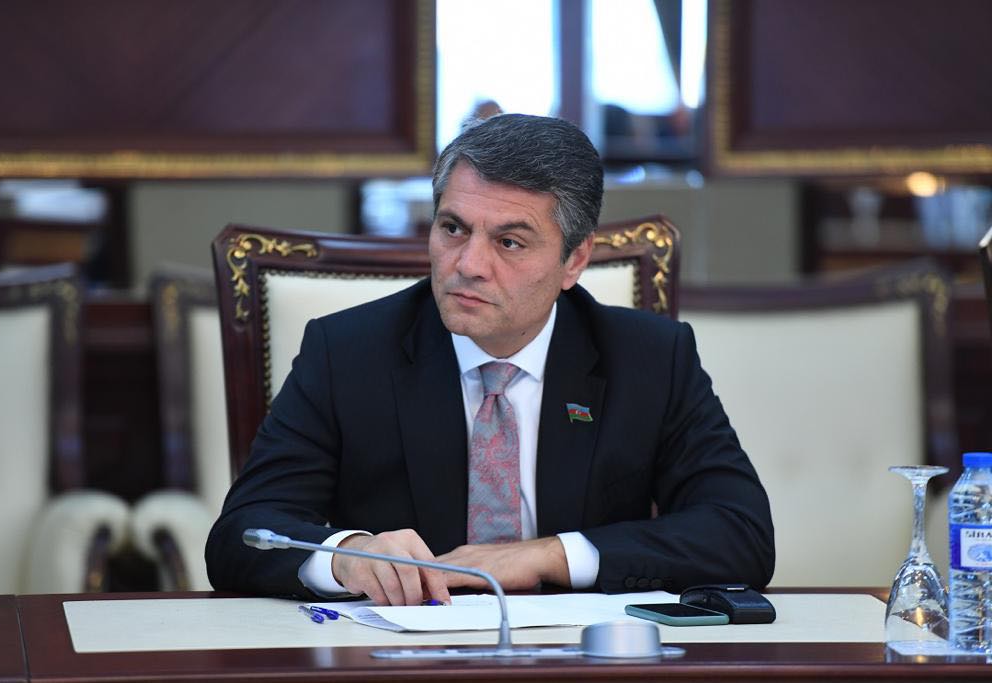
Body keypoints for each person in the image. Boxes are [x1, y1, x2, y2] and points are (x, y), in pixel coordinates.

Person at [205, 114, 774, 605]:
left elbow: (740, 533)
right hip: (398, 655)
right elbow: (243, 534)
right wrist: (345, 555)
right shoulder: (347, 352)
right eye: (453, 228)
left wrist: (549, 555)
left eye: (509, 242)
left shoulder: (649, 358)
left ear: (574, 261)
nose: (468, 265)